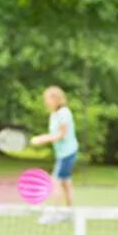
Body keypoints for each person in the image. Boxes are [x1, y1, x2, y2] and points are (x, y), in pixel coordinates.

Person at [30, 86, 79, 224]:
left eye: (48, 99)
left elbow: (61, 135)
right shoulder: (54, 115)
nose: (46, 102)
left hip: (67, 154)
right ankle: (69, 213)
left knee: (55, 182)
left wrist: (42, 139)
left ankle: (55, 214)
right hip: (62, 154)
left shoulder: (64, 113)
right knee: (66, 184)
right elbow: (54, 134)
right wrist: (42, 138)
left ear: (56, 99)